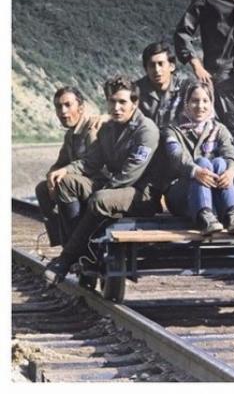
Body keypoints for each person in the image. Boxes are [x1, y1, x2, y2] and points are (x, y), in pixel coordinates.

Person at [43, 76, 161, 285]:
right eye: (112, 101)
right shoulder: (107, 129)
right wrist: (66, 170)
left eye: (122, 102)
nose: (116, 107)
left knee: (100, 199)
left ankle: (67, 258)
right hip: (113, 187)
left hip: (140, 193)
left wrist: (104, 189)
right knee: (66, 183)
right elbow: (91, 161)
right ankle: (83, 256)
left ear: (134, 103)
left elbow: (130, 173)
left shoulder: (146, 130)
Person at [163, 81, 234, 235]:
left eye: (205, 101)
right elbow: (176, 156)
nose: (200, 106)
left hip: (213, 194)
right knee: (202, 162)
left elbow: (230, 153)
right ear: (186, 103)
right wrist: (195, 171)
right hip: (182, 195)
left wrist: (231, 172)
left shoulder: (219, 129)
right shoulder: (173, 130)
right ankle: (204, 217)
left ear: (211, 103)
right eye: (195, 101)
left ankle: (232, 214)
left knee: (220, 162)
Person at [35, 87, 105, 246]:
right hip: (81, 184)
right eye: (58, 106)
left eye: (68, 105)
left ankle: (76, 248)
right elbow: (60, 163)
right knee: (42, 189)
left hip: (101, 183)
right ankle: (63, 244)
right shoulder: (71, 134)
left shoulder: (91, 129)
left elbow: (94, 162)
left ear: (81, 107)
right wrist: (51, 177)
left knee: (65, 182)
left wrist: (65, 171)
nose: (63, 111)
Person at [136, 40, 186, 131]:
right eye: (152, 65)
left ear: (171, 66)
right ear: (146, 68)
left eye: (161, 64)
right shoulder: (136, 91)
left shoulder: (185, 90)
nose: (157, 70)